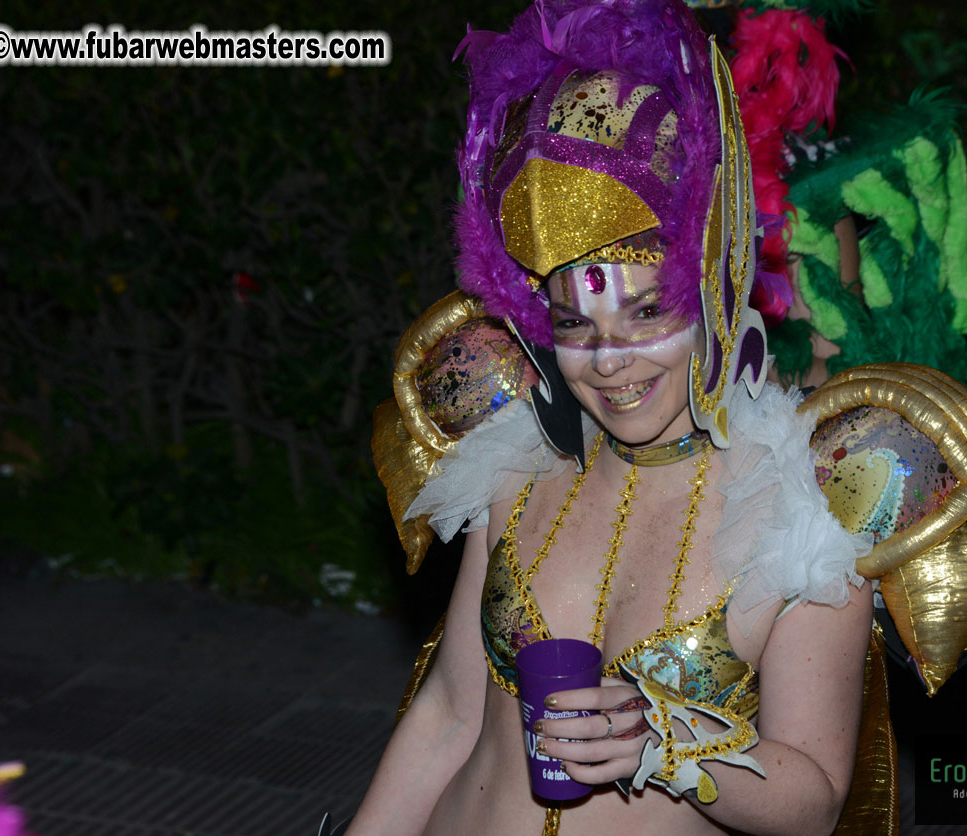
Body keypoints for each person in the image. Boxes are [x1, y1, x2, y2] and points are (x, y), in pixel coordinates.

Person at [346, 1, 877, 833]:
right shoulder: (511, 470)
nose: (611, 359)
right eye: (576, 324)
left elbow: (812, 800)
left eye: (646, 314)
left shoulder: (802, 514)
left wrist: (659, 746)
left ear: (709, 300)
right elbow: (450, 714)